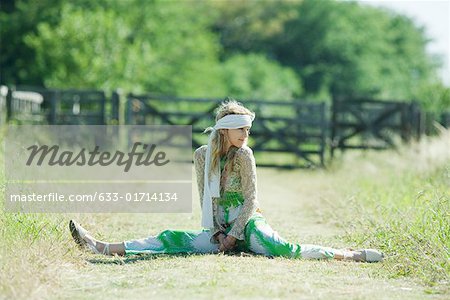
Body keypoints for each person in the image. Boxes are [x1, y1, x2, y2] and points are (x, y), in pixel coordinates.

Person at [69, 99, 383, 262]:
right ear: (225, 130)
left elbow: (251, 200)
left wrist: (234, 234)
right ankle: (101, 246)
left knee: (285, 249)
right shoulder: (202, 156)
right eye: (241, 130)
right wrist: (218, 232)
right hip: (219, 229)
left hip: (247, 226)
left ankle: (351, 254)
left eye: (248, 130)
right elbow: (206, 197)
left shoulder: (246, 156)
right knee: (171, 239)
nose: (247, 135)